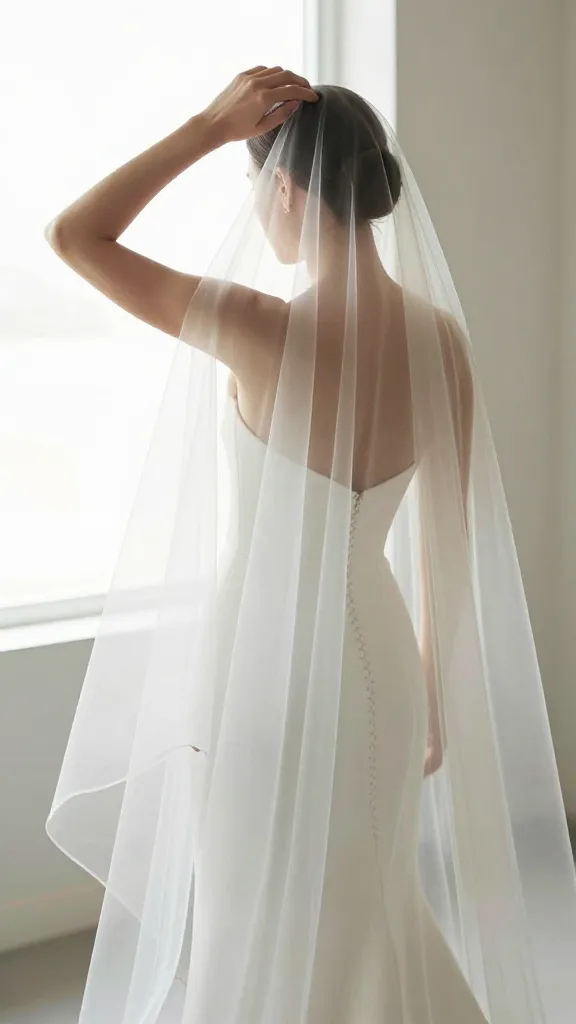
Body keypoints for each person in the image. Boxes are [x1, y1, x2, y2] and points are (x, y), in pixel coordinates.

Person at [45, 68, 576, 1024]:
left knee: (254, 915)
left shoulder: (259, 329)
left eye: (258, 190)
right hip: (384, 672)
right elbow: (447, 541)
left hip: (263, 674)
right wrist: (434, 685)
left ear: (285, 189)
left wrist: (206, 127)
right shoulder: (442, 341)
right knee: (367, 907)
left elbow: (73, 237)